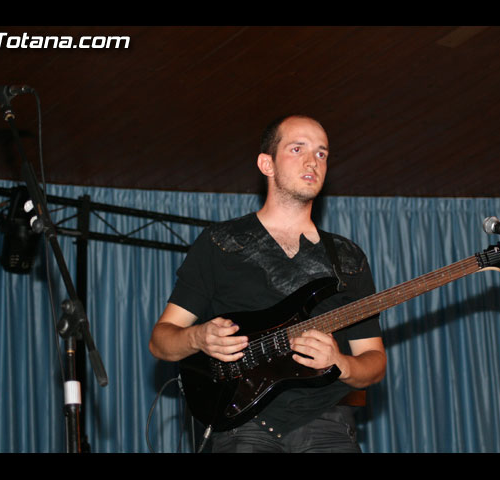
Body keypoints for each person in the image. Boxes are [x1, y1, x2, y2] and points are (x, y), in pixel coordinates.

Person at [149, 115, 386, 453]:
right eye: (297, 149)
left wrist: (341, 362)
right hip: (243, 427)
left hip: (329, 424)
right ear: (267, 164)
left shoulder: (348, 257)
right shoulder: (220, 243)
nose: (312, 161)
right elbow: (161, 341)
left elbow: (374, 361)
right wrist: (197, 337)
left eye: (321, 153)